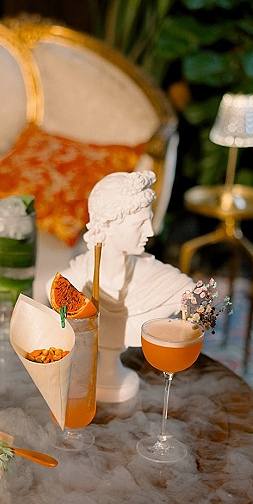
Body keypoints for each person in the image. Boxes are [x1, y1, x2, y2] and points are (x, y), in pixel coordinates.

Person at [61, 171, 193, 401]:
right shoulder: (71, 284)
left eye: (149, 220)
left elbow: (193, 297)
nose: (150, 232)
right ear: (109, 224)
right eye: (141, 223)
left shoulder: (168, 285)